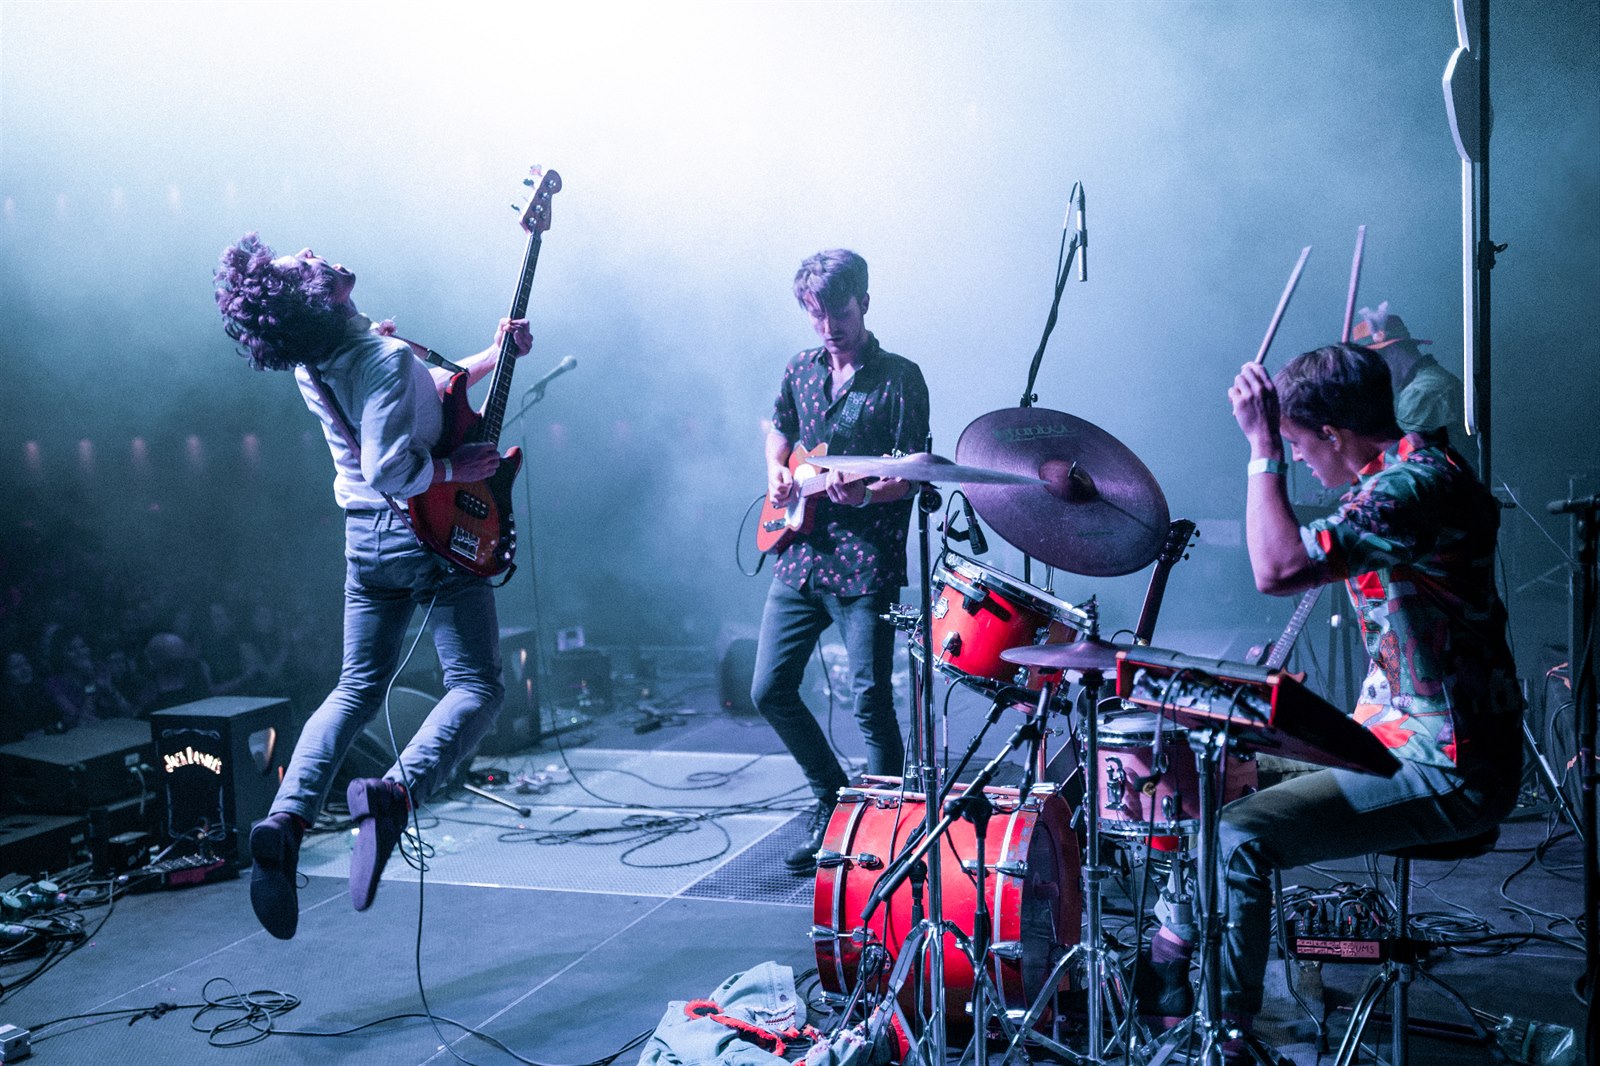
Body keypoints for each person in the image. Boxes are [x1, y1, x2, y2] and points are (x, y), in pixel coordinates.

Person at [1137, 343, 1522, 1053]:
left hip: (1451, 763)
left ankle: (1225, 1042)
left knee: (1238, 836)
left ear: (1334, 434)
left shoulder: (1414, 490)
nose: (1299, 459)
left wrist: (1261, 449)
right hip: (1388, 740)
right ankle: (1173, 945)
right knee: (1212, 776)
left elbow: (1278, 567)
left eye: (1301, 444)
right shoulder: (1394, 475)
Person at [214, 234, 531, 939]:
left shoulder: (320, 360)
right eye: (304, 264)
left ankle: (284, 821)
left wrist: (492, 355)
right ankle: (394, 794)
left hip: (364, 540)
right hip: (420, 529)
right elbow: (391, 466)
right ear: (321, 297)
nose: (311, 251)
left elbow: (426, 397)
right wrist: (455, 471)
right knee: (477, 686)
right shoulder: (383, 358)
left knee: (356, 687)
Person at [751, 249, 929, 874]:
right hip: (799, 555)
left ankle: (887, 835)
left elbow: (913, 473)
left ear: (865, 303)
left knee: (870, 701)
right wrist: (776, 470)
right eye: (817, 314)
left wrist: (868, 493)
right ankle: (831, 801)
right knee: (769, 689)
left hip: (865, 565)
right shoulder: (800, 368)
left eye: (841, 313)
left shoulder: (900, 379)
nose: (830, 327)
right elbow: (779, 428)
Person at [1350, 301, 1472, 460]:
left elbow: (1398, 462)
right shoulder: (1425, 382)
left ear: (1392, 351)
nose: (1370, 372)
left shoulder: (1421, 392)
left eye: (1372, 361)